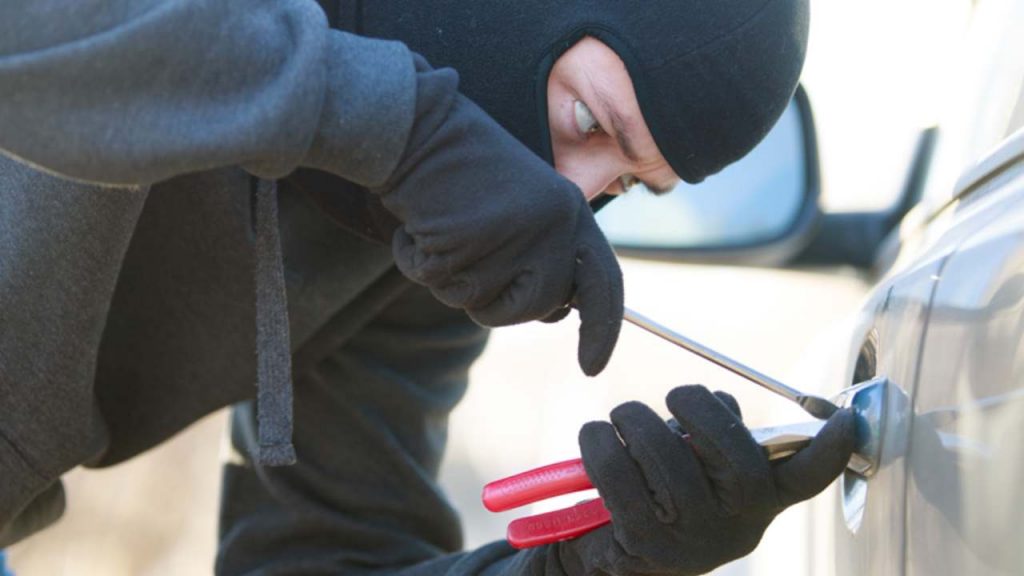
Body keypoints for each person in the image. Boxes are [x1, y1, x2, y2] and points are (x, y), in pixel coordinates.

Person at [0, 0, 856, 574]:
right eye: (588, 122)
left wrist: (577, 567)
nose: (567, 196)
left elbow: (322, 557)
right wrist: (401, 130)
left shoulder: (419, 253)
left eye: (621, 187)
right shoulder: (428, 156)